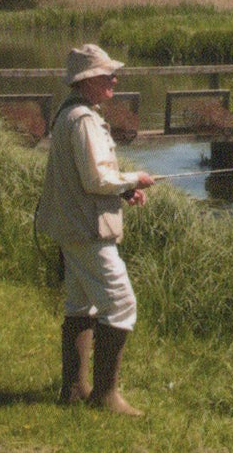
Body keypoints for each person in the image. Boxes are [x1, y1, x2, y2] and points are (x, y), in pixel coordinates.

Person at [36, 44, 155, 415]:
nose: (114, 80)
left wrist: (125, 189)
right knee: (120, 305)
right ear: (88, 80)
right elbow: (96, 178)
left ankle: (74, 390)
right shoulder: (84, 119)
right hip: (87, 231)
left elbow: (87, 178)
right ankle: (105, 397)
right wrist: (134, 177)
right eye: (107, 75)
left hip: (73, 226)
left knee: (80, 304)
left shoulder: (69, 113)